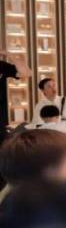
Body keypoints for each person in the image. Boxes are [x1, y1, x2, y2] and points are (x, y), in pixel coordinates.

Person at [0, 51, 31, 191]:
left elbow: (26, 73)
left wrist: (9, 55)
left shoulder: (1, 66)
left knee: (3, 162)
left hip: (0, 123)